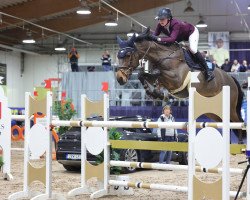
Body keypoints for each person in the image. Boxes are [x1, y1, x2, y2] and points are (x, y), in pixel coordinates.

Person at [150, 8, 214, 82]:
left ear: (169, 18)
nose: (161, 21)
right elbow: (154, 36)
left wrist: (159, 39)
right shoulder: (160, 25)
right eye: (159, 19)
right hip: (180, 37)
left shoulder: (175, 24)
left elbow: (172, 39)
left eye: (163, 19)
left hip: (191, 32)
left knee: (193, 49)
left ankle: (208, 70)